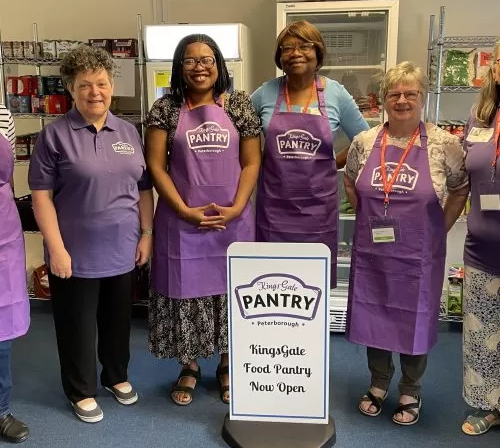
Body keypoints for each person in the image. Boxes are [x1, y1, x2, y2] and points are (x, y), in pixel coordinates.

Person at [28, 46, 153, 423]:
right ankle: (80, 389)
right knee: (77, 324)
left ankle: (115, 376)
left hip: (123, 248)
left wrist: (146, 233)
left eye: (101, 83)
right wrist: (56, 248)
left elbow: (144, 188)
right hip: (74, 253)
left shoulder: (129, 131)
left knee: (117, 321)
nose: (94, 92)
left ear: (112, 86)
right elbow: (41, 196)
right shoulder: (54, 136)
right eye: (85, 85)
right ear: (71, 88)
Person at [344, 61, 469, 425]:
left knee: (416, 315)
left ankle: (411, 388)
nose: (402, 100)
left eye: (410, 93)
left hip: (419, 255)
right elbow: (351, 181)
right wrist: (368, 216)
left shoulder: (445, 144)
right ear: (383, 99)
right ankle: (379, 382)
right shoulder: (364, 141)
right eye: (394, 93)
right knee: (374, 311)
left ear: (422, 97)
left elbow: (461, 188)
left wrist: (440, 228)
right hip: (373, 253)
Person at [146, 34, 261, 406]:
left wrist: (238, 206)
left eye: (207, 59)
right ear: (180, 67)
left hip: (232, 220)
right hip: (182, 221)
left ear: (219, 65)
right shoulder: (165, 108)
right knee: (186, 293)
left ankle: (228, 364)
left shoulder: (239, 106)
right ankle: (190, 365)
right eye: (191, 61)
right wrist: (182, 209)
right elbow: (155, 165)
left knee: (231, 292)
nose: (200, 67)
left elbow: (251, 162)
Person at [251, 21, 369, 288]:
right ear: (280, 56)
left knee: (311, 289)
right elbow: (239, 132)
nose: (296, 53)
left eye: (304, 46)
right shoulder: (265, 93)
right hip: (274, 211)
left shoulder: (335, 93)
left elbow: (364, 140)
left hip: (318, 213)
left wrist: (332, 162)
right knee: (273, 285)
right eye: (288, 47)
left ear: (318, 52)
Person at [461, 40, 500, 436]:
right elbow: (465, 169)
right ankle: (489, 407)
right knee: (482, 336)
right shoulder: (481, 115)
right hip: (482, 249)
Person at [0, 104, 30, 442]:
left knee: (1, 336)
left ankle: (1, 410)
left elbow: (5, 176)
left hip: (2, 233)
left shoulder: (3, 116)